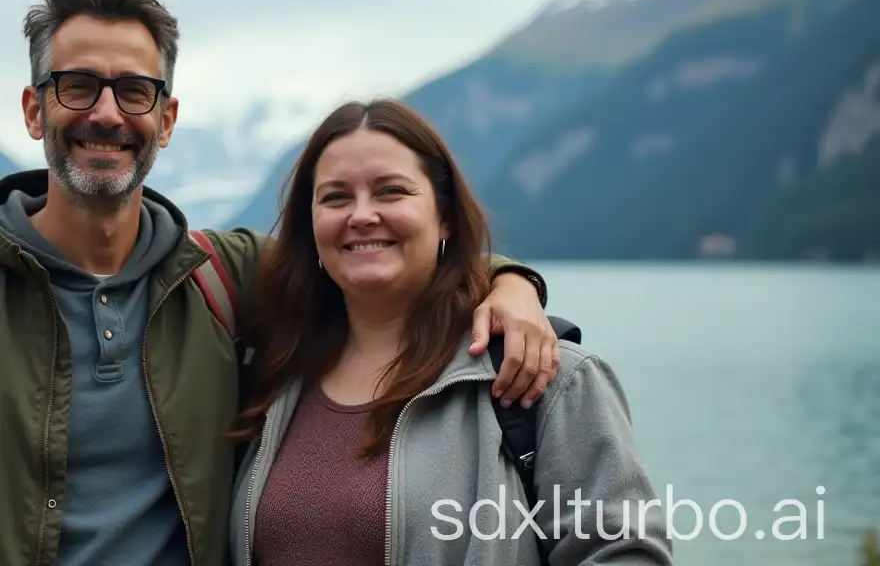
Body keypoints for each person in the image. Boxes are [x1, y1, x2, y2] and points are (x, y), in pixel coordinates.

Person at [0, 0, 564, 566]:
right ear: (34, 109)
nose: (108, 114)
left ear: (167, 119)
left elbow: (376, 254)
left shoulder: (222, 276)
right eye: (77, 86)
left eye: (135, 90)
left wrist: (510, 284)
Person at [226, 98, 672, 565]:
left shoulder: (542, 376)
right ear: (311, 225)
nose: (361, 215)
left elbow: (625, 554)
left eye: (391, 191)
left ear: (444, 219)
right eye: (336, 197)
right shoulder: (269, 377)